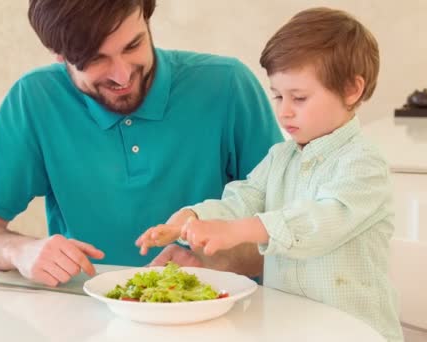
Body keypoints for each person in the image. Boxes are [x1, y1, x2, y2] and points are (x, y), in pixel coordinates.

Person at [0, 0, 283, 288]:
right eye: (96, 59)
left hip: (219, 314)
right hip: (85, 318)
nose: (122, 76)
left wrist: (215, 264)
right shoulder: (34, 99)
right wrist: (20, 251)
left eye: (133, 45)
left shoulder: (226, 85)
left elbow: (290, 233)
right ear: (59, 54)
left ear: (146, 18)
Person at [136, 7, 403, 341]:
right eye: (277, 95)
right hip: (289, 328)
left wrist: (240, 231)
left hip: (353, 331)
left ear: (351, 90)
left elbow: (319, 221)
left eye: (299, 97)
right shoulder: (281, 157)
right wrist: (188, 220)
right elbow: (244, 198)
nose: (284, 110)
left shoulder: (363, 164)